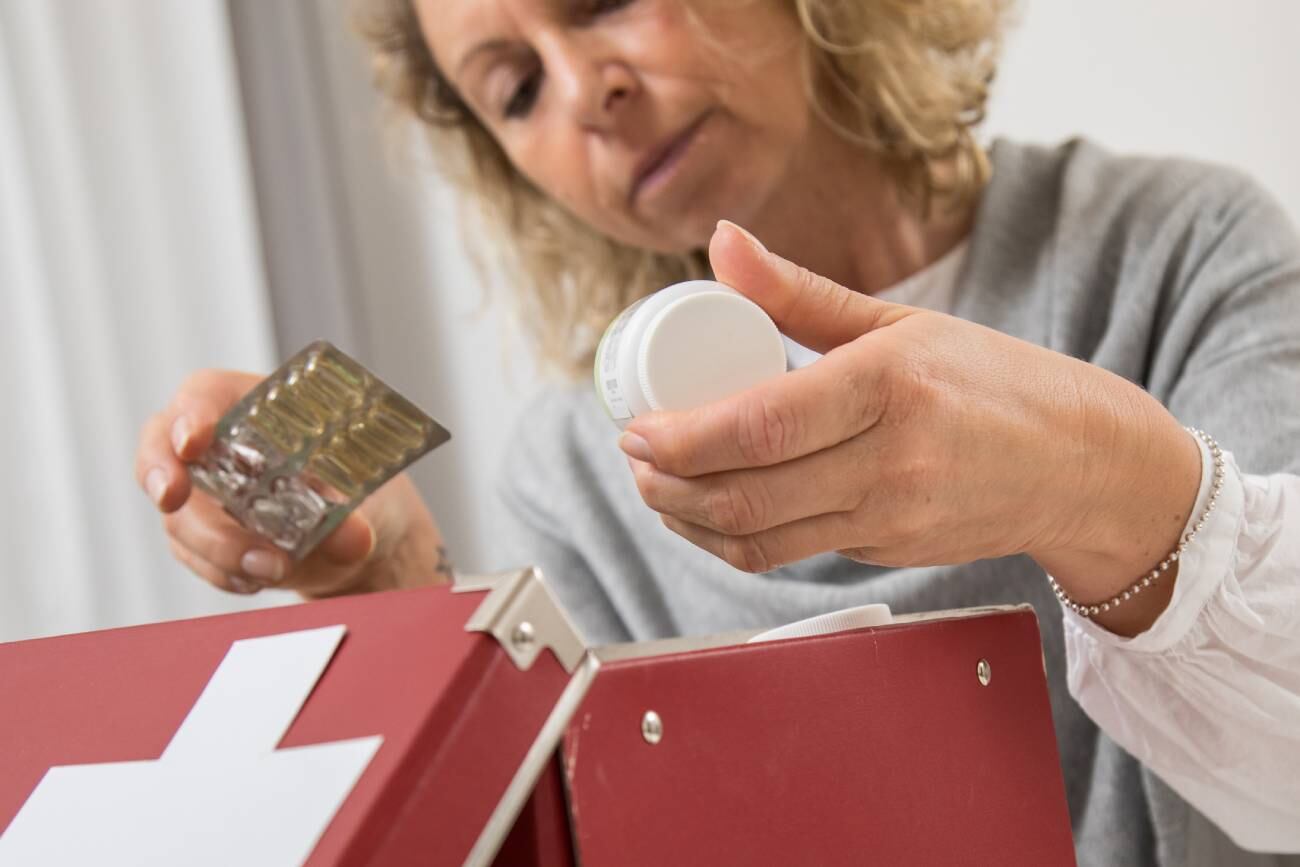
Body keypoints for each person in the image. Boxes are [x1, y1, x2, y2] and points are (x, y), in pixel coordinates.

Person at [134, 0, 1300, 862]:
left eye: (597, 4)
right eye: (516, 90)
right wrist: (389, 581)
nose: (585, 92)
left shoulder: (1177, 254)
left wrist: (1084, 486)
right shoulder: (584, 471)